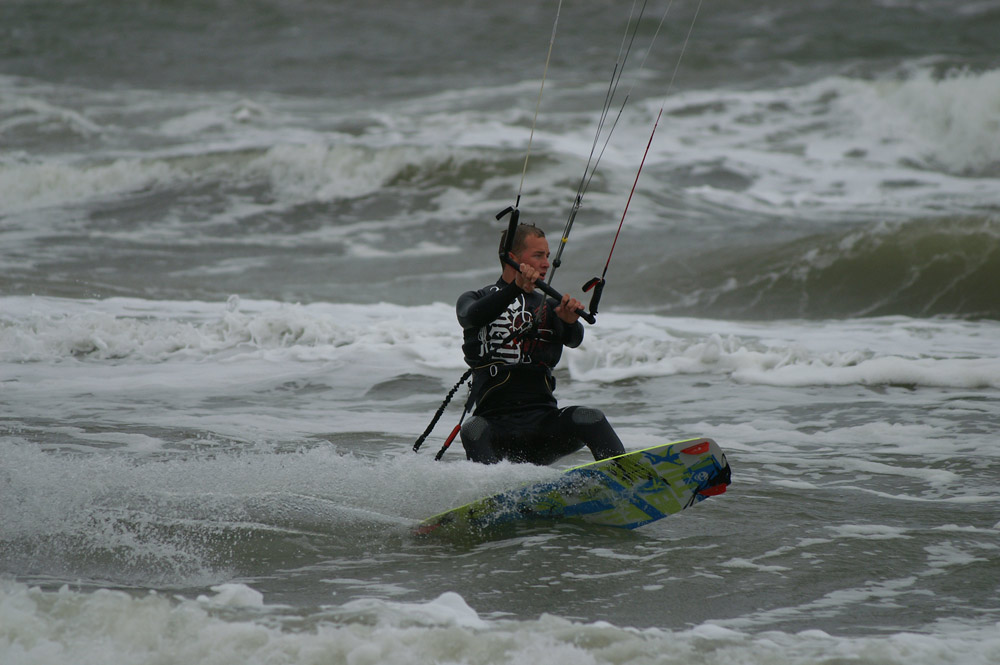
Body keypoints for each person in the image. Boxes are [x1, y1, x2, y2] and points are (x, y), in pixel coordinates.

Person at [455, 222, 626, 465]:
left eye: (547, 256)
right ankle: (490, 498)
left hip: (544, 427)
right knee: (472, 429)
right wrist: (515, 288)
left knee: (591, 417)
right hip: (496, 431)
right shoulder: (476, 298)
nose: (546, 263)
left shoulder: (550, 306)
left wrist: (567, 322)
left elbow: (575, 339)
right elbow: (471, 317)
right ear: (512, 259)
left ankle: (627, 479)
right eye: (538, 255)